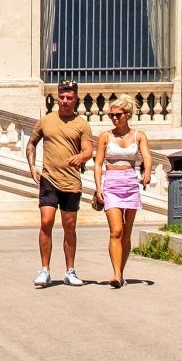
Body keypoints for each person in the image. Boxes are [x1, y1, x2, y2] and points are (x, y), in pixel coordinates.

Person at [28, 83, 94, 287]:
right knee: (46, 222)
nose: (65, 101)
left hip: (71, 182)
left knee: (70, 226)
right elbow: (32, 143)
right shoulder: (46, 120)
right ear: (57, 97)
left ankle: (70, 271)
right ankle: (44, 270)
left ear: (76, 99)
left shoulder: (81, 124)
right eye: (62, 97)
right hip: (49, 179)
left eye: (69, 98)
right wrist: (32, 166)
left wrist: (81, 157)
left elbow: (88, 150)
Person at [95, 95, 153, 286]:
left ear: (127, 114)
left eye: (117, 115)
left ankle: (121, 273)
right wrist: (98, 187)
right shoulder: (105, 136)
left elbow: (147, 156)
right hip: (111, 184)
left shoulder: (139, 135)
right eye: (111, 115)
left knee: (126, 233)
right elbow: (98, 164)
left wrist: (147, 172)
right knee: (116, 230)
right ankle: (116, 273)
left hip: (130, 183)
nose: (114, 118)